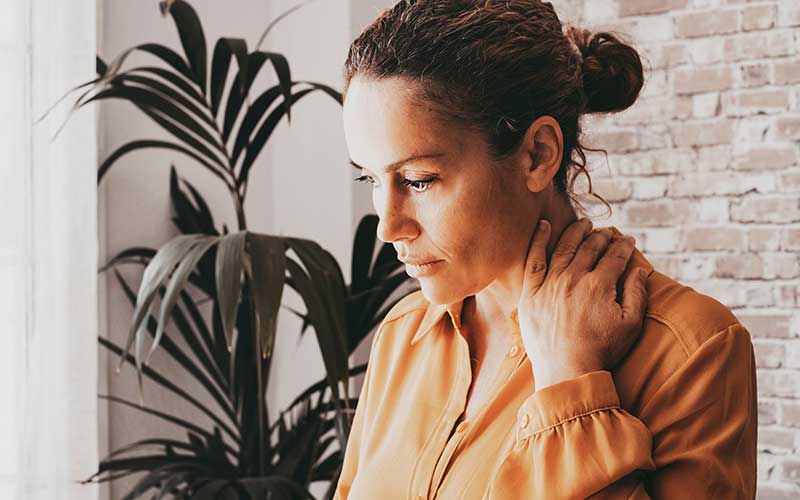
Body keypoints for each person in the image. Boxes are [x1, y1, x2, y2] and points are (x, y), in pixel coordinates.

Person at [334, 1, 758, 498]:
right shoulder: (402, 334)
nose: (388, 227)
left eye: (419, 180)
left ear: (538, 154)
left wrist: (571, 383)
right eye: (369, 176)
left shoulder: (692, 351)